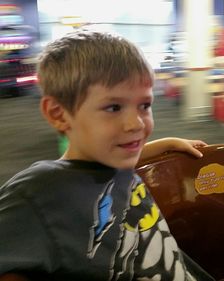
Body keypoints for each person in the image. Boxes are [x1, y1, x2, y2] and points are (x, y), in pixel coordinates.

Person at [0, 30, 212, 281]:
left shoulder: (110, 159)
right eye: (113, 107)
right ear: (58, 114)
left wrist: (167, 143)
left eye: (144, 105)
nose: (136, 124)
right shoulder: (35, 194)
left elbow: (99, 168)